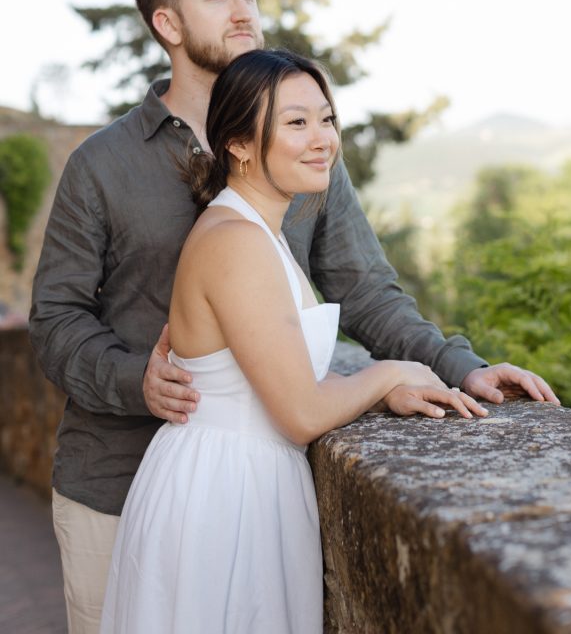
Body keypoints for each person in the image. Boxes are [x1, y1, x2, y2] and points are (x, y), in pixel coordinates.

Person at [30, 0, 559, 634]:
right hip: (114, 480)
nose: (243, 11)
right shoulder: (101, 163)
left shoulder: (304, 155)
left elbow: (365, 289)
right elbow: (55, 319)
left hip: (249, 489)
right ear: (168, 25)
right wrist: (138, 380)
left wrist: (458, 366)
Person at [100, 48, 485, 633]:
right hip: (223, 499)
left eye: (326, 119)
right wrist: (390, 373)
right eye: (296, 122)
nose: (322, 139)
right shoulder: (236, 240)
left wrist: (385, 393)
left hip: (242, 483)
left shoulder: (257, 231)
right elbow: (301, 413)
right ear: (239, 144)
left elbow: (276, 376)